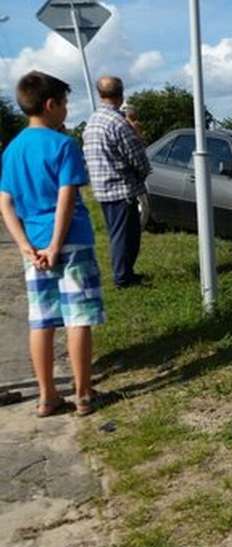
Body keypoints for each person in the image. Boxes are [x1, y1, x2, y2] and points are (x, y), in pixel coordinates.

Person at [0, 71, 105, 417]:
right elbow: (66, 198)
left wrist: (26, 247)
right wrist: (57, 244)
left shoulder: (12, 150)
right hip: (70, 242)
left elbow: (5, 204)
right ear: (50, 104)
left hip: (33, 247)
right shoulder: (64, 145)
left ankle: (47, 396)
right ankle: (84, 393)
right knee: (78, 318)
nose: (66, 111)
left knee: (41, 321)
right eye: (64, 104)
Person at [83, 76, 151, 289]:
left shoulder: (92, 121)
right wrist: (143, 172)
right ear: (121, 94)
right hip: (121, 187)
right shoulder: (119, 123)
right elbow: (137, 157)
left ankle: (125, 273)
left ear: (99, 94)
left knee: (117, 233)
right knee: (126, 235)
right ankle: (123, 277)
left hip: (102, 187)